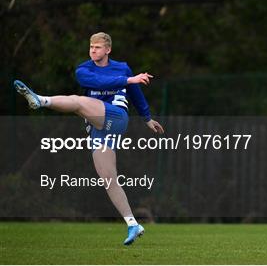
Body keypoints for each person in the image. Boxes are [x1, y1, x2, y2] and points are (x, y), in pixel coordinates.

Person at [14, 32, 164, 246]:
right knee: (109, 179)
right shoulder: (83, 70)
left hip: (116, 116)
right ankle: (133, 223)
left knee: (77, 101)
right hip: (97, 127)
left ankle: (41, 100)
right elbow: (99, 82)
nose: (93, 50)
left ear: (108, 50)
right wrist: (128, 79)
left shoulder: (122, 67)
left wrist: (147, 118)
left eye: (98, 47)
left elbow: (135, 93)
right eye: (91, 47)